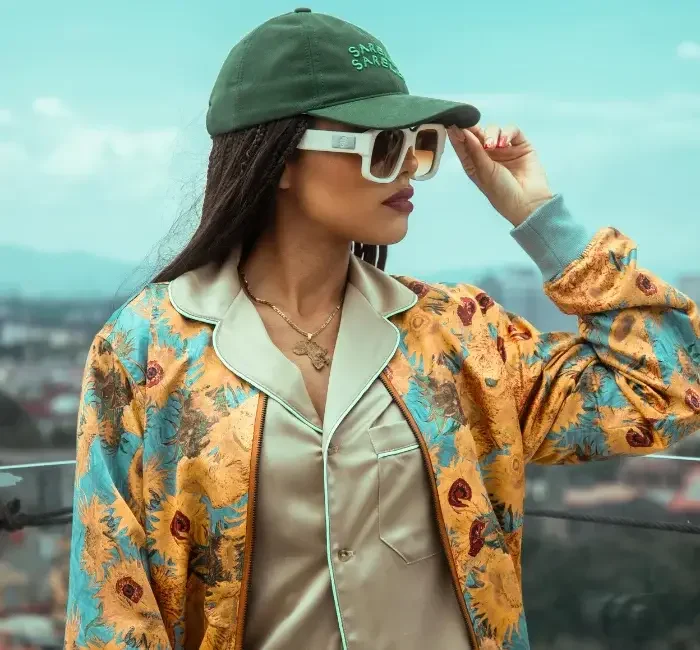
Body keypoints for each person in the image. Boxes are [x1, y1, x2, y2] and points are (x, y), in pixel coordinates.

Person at [64, 9, 700, 650]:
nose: (408, 171)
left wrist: (538, 217)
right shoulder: (143, 351)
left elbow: (670, 386)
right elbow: (112, 609)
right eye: (382, 146)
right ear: (278, 162)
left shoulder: (459, 335)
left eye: (419, 145)